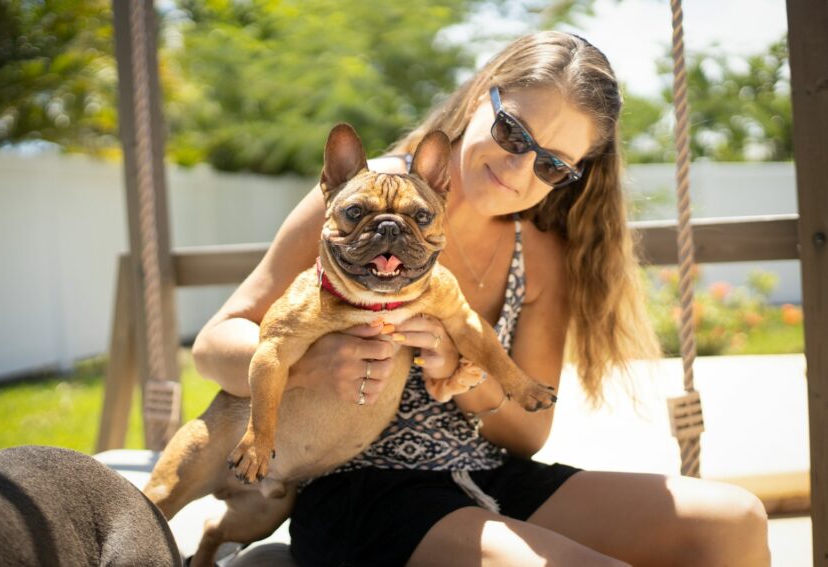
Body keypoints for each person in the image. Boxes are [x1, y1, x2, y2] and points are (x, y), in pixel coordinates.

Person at [191, 31, 770, 567]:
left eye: (551, 164)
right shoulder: (364, 200)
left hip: (487, 473)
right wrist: (308, 364)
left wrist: (463, 371)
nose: (519, 167)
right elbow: (215, 342)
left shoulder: (539, 254)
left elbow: (527, 434)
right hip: (361, 488)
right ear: (480, 98)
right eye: (513, 133)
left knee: (735, 520)